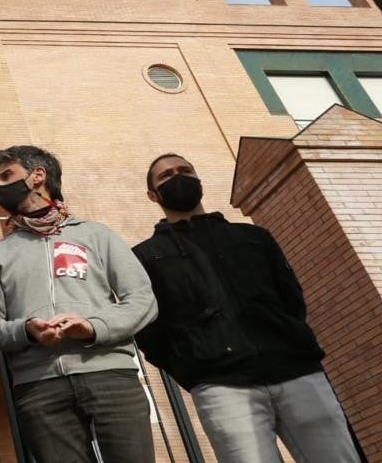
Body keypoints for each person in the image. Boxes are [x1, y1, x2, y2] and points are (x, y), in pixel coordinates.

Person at [134, 153, 360, 463]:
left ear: (198, 179)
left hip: (297, 373)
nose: (178, 177)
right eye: (166, 176)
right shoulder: (145, 257)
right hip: (223, 387)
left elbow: (291, 298)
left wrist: (288, 338)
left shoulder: (253, 237)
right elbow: (150, 331)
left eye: (185, 170)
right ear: (152, 194)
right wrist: (195, 369)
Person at [0, 145, 157, 463]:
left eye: (7, 175)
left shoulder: (96, 234)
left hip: (111, 375)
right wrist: (27, 330)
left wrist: (92, 327)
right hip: (38, 388)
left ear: (38, 176)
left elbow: (142, 299)